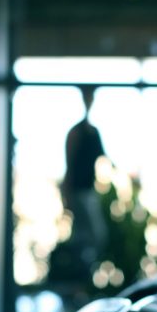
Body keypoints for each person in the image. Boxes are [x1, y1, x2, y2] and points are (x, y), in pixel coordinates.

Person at [60, 85, 109, 275]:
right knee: (87, 235)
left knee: (91, 236)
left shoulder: (91, 132)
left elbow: (104, 158)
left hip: (87, 190)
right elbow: (70, 165)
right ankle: (79, 274)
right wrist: (67, 194)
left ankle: (82, 274)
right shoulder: (77, 132)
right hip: (78, 191)